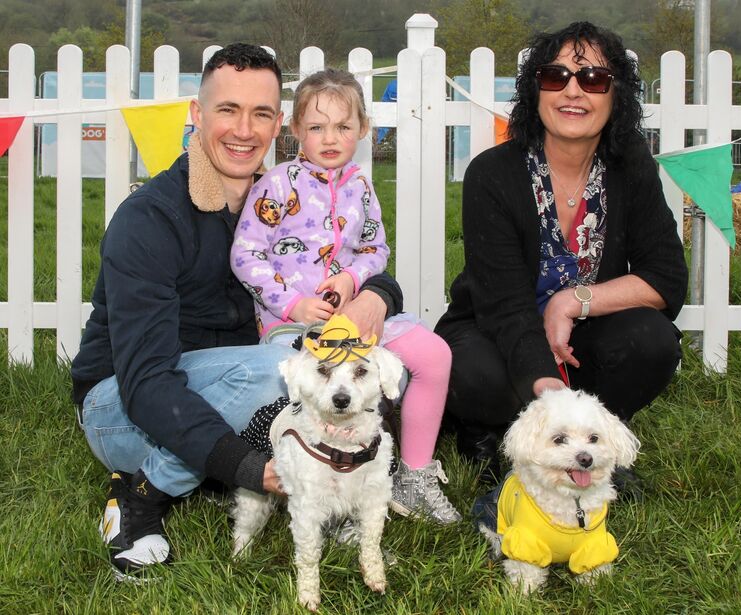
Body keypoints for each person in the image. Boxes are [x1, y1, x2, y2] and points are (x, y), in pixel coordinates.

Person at [71, 44, 403, 580]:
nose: (244, 130)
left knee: (366, 363)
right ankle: (139, 495)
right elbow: (146, 381)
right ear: (197, 115)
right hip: (124, 405)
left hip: (226, 386)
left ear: (280, 126)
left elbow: (353, 257)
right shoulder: (149, 221)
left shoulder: (285, 197)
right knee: (286, 370)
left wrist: (377, 297)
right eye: (227, 110)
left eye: (261, 113)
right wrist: (248, 468)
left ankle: (322, 481)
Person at [434, 22, 688, 485]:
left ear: (616, 97)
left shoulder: (630, 166)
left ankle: (592, 439)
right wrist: (552, 398)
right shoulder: (492, 174)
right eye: (556, 77)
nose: (574, 91)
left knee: (652, 340)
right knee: (473, 373)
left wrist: (571, 301)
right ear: (536, 92)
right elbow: (507, 308)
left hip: (581, 336)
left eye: (593, 79)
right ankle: (490, 430)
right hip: (496, 330)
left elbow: (666, 278)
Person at [230, 68, 461, 524]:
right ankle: (320, 496)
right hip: (293, 326)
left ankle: (413, 476)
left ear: (363, 129)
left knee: (434, 355)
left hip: (355, 320)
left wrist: (353, 280)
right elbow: (245, 255)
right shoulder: (276, 185)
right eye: (316, 127)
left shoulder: (360, 186)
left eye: (343, 126)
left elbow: (376, 249)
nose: (329, 138)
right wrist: (292, 304)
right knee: (302, 395)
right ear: (295, 130)